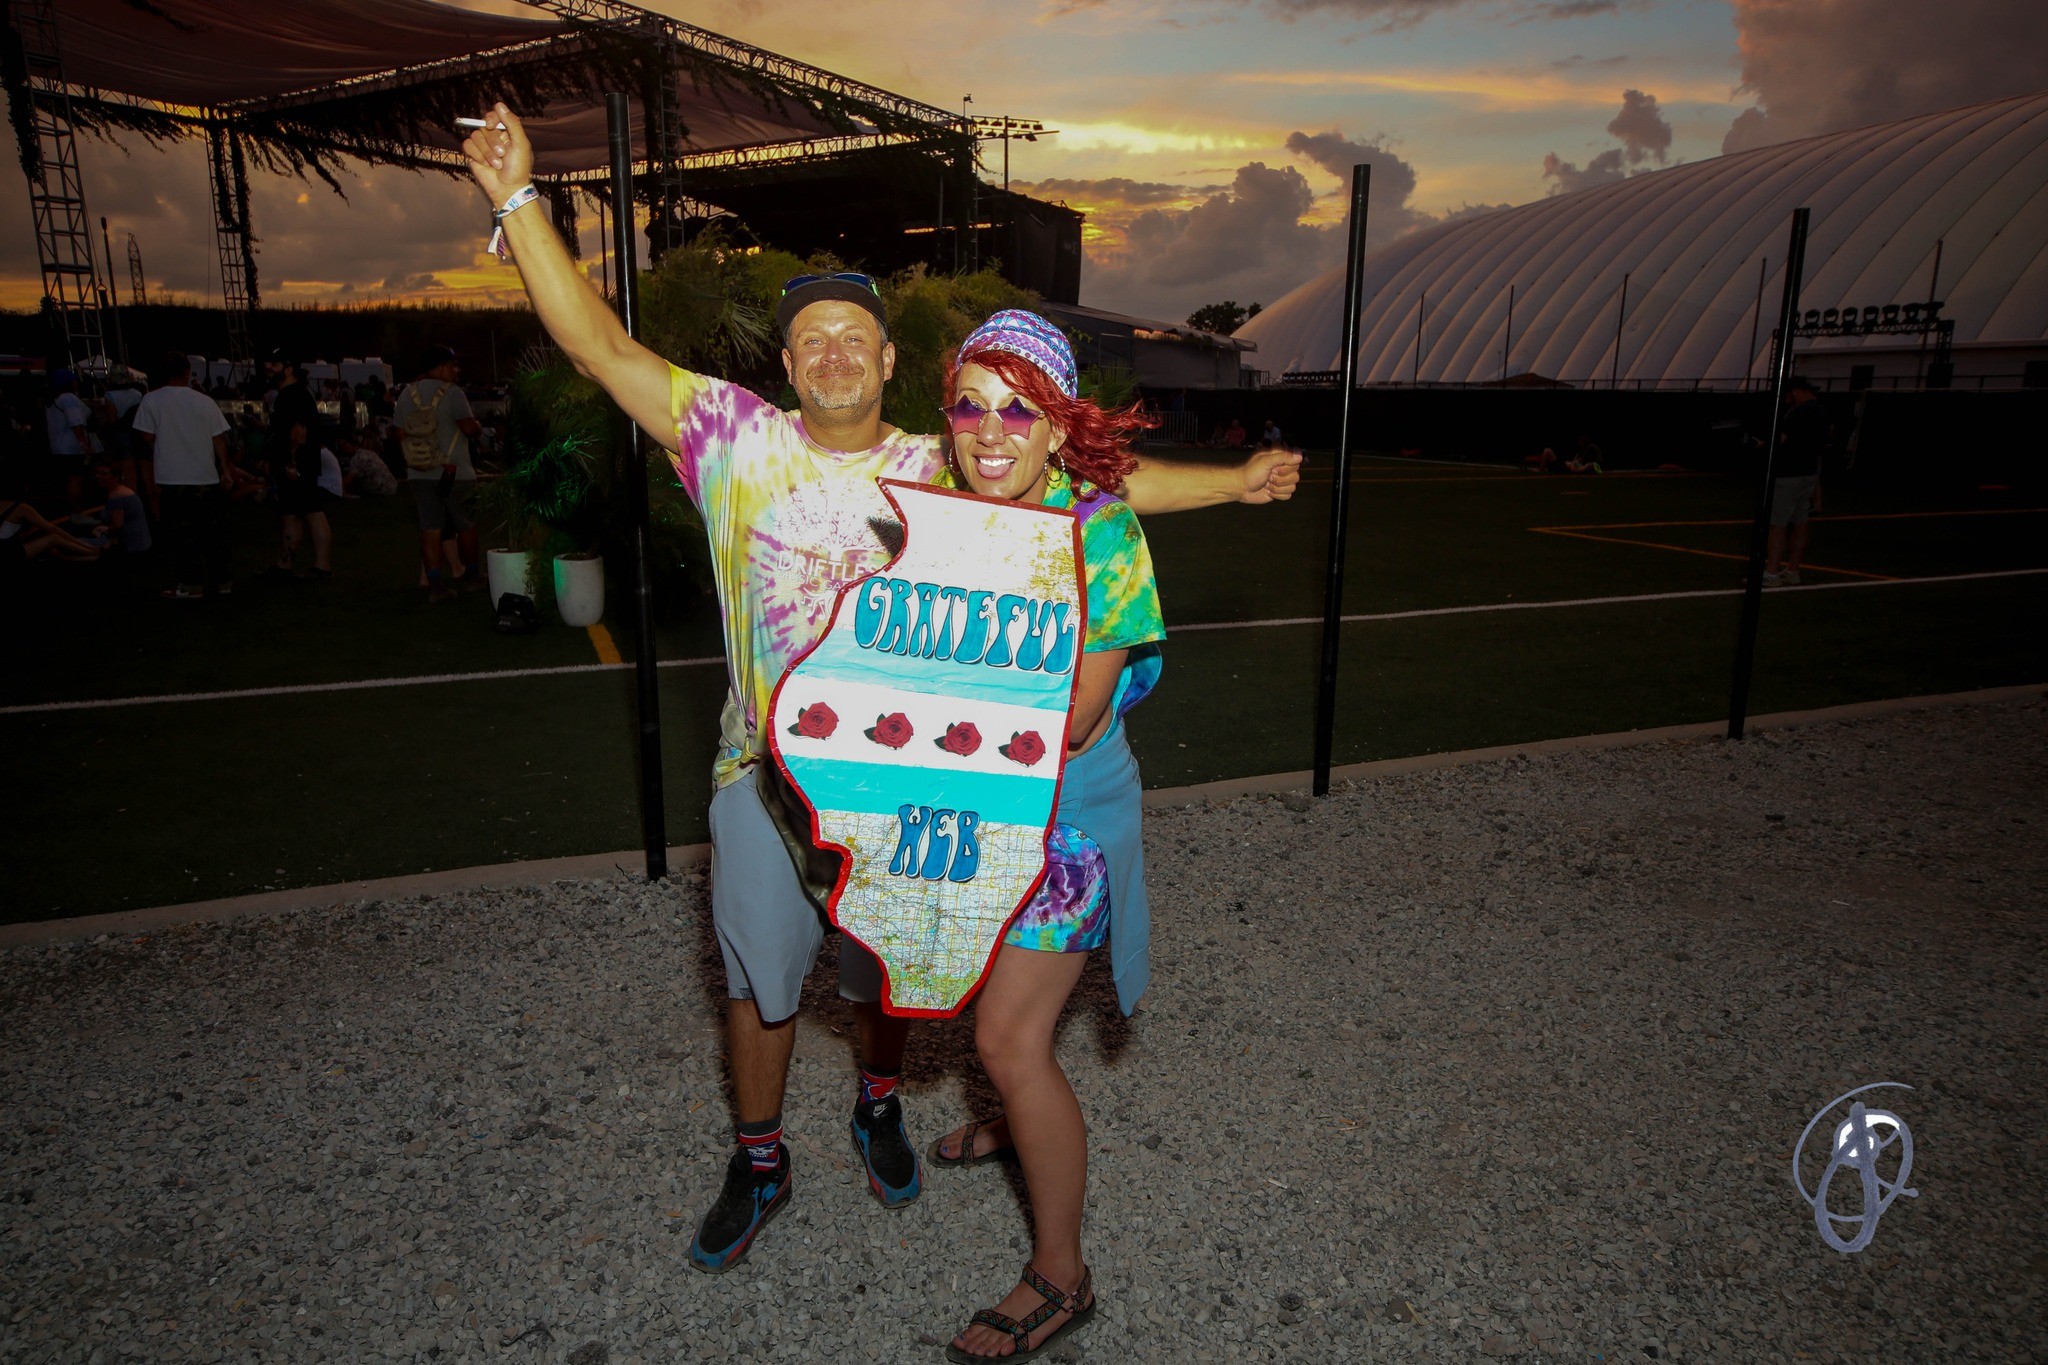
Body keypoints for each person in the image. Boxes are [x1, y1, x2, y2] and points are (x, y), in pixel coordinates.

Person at [460, 100, 1302, 1277]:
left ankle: (875, 1103)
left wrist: (1233, 482)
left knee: (887, 966)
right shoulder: (728, 439)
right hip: (764, 773)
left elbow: (1089, 481)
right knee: (761, 980)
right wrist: (516, 200)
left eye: (853, 335)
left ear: (890, 361)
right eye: (809, 339)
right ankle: (759, 1158)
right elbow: (601, 349)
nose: (832, 353)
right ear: (784, 363)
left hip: (902, 779)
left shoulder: (939, 462)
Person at [919, 312, 1161, 1361]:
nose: (990, 430)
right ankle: (1012, 1121)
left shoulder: (1101, 534)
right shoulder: (944, 516)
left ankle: (1062, 1276)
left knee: (1006, 1039)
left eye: (1019, 410)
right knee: (982, 986)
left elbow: (1068, 719)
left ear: (1058, 429)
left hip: (1064, 823)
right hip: (971, 801)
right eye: (970, 405)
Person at [132, 351, 233, 600]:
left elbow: (146, 437)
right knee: (213, 532)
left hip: (172, 478)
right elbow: (219, 438)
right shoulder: (204, 401)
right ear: (187, 372)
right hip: (205, 477)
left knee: (183, 534)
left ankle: (191, 584)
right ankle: (222, 581)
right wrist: (225, 469)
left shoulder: (151, 400)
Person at [393, 346, 482, 603]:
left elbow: (400, 434)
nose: (457, 370)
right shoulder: (453, 393)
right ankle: (473, 576)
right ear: (441, 367)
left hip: (420, 472)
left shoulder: (406, 394)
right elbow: (468, 428)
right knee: (466, 524)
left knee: (430, 528)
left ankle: (435, 585)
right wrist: (477, 426)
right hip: (455, 472)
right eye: (453, 365)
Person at [1765, 376, 1828, 587]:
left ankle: (1771, 573)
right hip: (1809, 473)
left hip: (1789, 474)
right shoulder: (1822, 410)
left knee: (1778, 524)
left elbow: (1781, 439)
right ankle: (1792, 570)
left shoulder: (1797, 412)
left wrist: (1765, 445)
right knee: (1801, 523)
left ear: (1795, 391)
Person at [267, 418, 333, 579]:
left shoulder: (299, 434)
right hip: (297, 464)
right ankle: (288, 562)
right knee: (294, 513)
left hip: (299, 466)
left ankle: (320, 565)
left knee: (309, 511)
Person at [45, 369, 93, 512]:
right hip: (72, 447)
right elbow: (76, 421)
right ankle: (77, 511)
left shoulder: (53, 400)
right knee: (75, 478)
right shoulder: (68, 398)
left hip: (58, 447)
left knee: (68, 479)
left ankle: (71, 510)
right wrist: (84, 443)